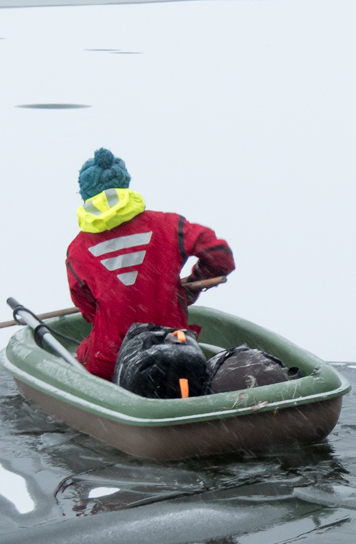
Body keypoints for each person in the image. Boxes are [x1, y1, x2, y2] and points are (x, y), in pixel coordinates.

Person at [65, 148, 234, 380]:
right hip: (176, 347)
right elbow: (220, 255)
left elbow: (87, 308)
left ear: (86, 195)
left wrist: (119, 307)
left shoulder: (77, 250)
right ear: (125, 185)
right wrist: (193, 286)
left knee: (81, 358)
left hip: (113, 359)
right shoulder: (169, 226)